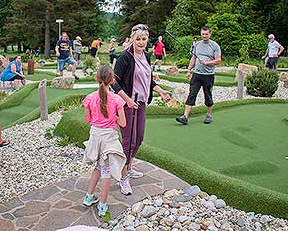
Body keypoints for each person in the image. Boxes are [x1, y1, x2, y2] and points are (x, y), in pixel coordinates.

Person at [112, 24, 171, 195]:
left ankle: (129, 167)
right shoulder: (125, 57)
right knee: (128, 141)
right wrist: (127, 100)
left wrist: (160, 90)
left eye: (144, 39)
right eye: (137, 39)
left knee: (138, 139)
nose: (141, 42)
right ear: (132, 38)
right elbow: (114, 82)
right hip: (127, 104)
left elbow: (148, 79)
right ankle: (123, 178)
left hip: (142, 102)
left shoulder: (146, 56)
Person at [82, 65, 127, 217]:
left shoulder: (89, 98)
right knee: (106, 171)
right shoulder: (117, 99)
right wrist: (112, 117)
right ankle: (102, 205)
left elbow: (88, 120)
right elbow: (123, 123)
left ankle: (88, 197)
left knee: (97, 167)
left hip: (95, 135)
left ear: (96, 78)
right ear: (113, 80)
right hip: (109, 138)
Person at [176, 26, 221, 125]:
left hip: (208, 75)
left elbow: (218, 60)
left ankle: (208, 115)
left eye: (206, 34)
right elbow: (193, 58)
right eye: (202, 34)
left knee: (208, 96)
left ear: (210, 34)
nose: (204, 36)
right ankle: (185, 117)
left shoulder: (215, 46)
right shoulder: (197, 45)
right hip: (196, 74)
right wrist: (188, 70)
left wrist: (207, 63)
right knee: (192, 94)